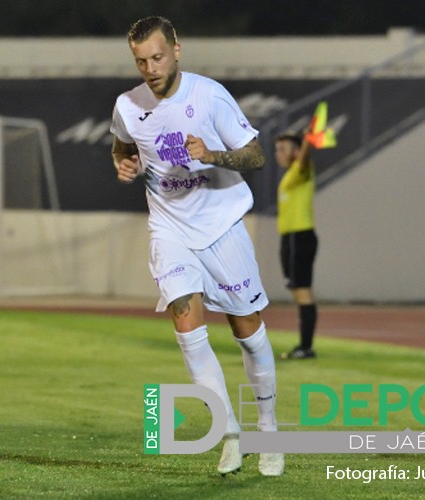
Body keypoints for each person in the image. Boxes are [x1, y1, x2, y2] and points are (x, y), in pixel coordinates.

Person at [109, 16, 283, 477]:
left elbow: (256, 155)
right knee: (186, 325)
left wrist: (212, 155)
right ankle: (230, 435)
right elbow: (122, 145)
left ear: (177, 50)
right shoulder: (127, 105)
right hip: (170, 229)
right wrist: (124, 164)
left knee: (247, 328)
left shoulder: (209, 94)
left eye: (157, 57)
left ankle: (268, 427)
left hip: (221, 223)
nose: (150, 67)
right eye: (141, 60)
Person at [274, 132, 319, 360]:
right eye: (277, 149)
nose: (278, 154)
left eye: (283, 149)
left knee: (302, 291)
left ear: (296, 151)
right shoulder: (291, 175)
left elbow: (304, 160)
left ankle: (306, 347)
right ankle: (305, 345)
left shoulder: (303, 169)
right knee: (297, 290)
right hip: (290, 239)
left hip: (299, 237)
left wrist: (308, 143)